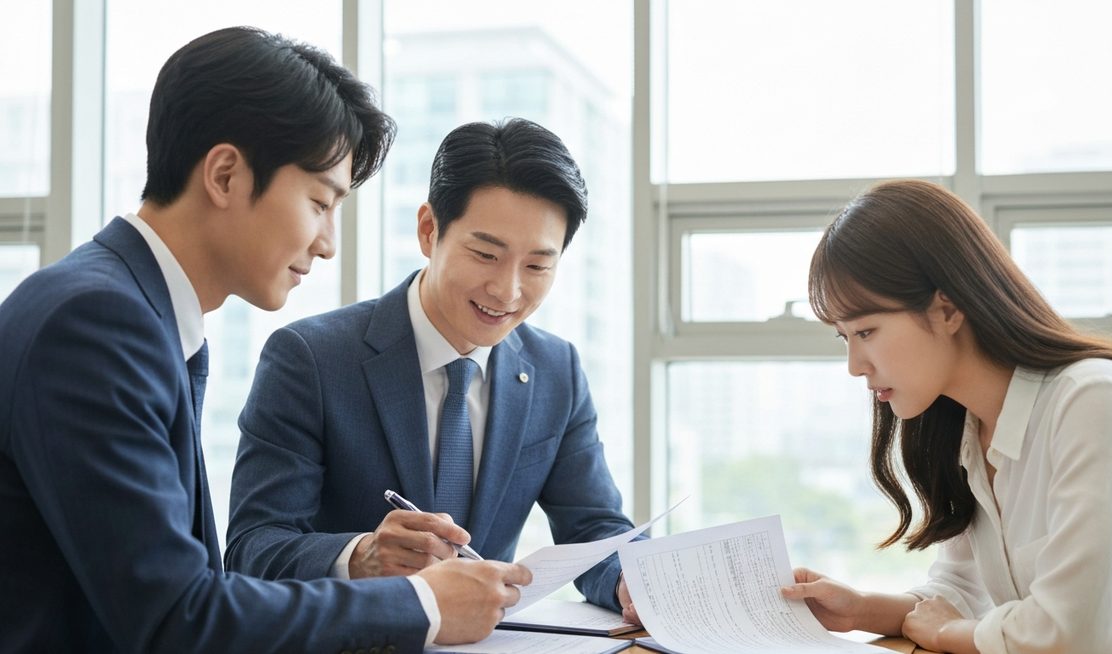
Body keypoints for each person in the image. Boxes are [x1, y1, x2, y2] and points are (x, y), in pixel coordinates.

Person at [0, 27, 530, 653]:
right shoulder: (97, 323)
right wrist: (421, 604)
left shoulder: (132, 310)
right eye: (318, 202)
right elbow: (177, 617)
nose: (328, 242)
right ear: (225, 174)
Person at [224, 117, 641, 622]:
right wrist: (359, 556)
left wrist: (631, 582)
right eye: (486, 254)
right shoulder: (310, 358)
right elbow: (253, 548)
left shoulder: (557, 370)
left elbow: (595, 531)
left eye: (536, 266)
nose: (507, 292)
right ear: (428, 230)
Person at [779, 179, 1112, 653]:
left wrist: (946, 633)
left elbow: (1072, 636)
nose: (856, 366)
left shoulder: (1096, 402)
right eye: (845, 337)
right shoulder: (967, 428)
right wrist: (861, 608)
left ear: (948, 309)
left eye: (866, 331)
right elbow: (963, 591)